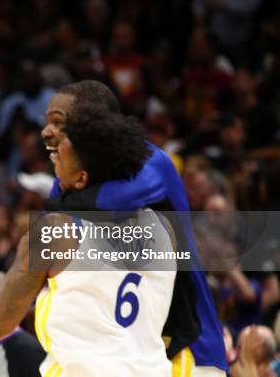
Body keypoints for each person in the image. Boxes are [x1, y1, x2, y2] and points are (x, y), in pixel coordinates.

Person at [41, 81, 228, 375]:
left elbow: (112, 203)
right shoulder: (67, 178)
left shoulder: (151, 160)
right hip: (127, 343)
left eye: (59, 122)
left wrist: (65, 198)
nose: (46, 132)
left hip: (189, 344)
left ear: (96, 123)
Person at [0, 104, 177, 376]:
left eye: (60, 162)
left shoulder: (56, 231)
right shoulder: (166, 229)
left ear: (81, 178)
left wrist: (23, 256)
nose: (55, 170)